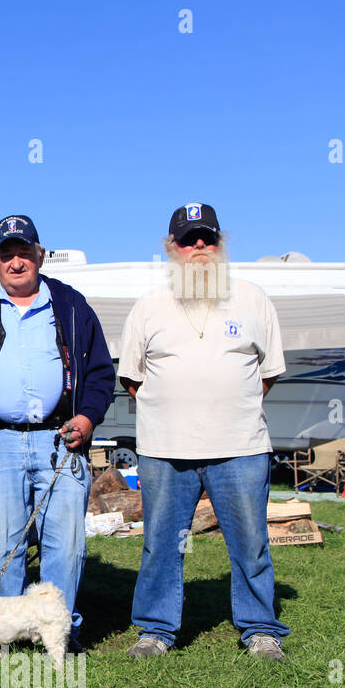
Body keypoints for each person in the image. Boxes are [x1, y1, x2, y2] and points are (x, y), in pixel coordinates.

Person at [119, 202, 290, 660]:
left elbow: (267, 373)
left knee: (250, 542)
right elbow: (131, 378)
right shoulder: (149, 305)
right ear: (170, 248)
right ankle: (156, 630)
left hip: (241, 446)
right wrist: (177, 410)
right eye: (187, 239)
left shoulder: (253, 298)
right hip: (164, 449)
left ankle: (260, 629)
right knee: (161, 545)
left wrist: (224, 404)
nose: (198, 247)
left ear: (221, 244)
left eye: (207, 238)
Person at [0, 215, 115, 646]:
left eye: (25, 252)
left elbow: (99, 374)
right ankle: (15, 637)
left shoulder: (71, 304)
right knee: (7, 547)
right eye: (7, 254)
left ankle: (60, 632)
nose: (16, 262)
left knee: (67, 544)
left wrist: (88, 417)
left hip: (60, 439)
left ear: (40, 254)